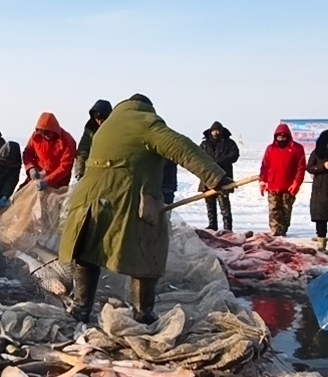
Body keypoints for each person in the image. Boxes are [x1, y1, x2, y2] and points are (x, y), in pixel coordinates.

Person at [60, 95, 231, 325]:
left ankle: (81, 309)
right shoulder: (146, 122)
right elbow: (182, 148)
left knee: (87, 252)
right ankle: (143, 314)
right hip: (125, 197)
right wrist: (215, 177)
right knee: (147, 249)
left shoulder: (107, 126)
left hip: (88, 200)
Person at [260, 124, 305, 238]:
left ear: (288, 136)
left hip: (288, 185)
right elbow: (265, 166)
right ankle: (275, 231)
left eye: (284, 136)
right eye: (279, 136)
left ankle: (283, 230)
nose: (281, 138)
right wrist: (263, 181)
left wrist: (297, 182)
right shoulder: (271, 149)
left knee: (285, 209)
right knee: (274, 209)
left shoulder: (297, 148)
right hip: (273, 184)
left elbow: (301, 167)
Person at [199, 122, 240, 231]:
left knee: (224, 204)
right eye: (214, 131)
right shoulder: (204, 144)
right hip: (207, 177)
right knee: (210, 203)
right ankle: (212, 225)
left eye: (218, 131)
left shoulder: (229, 143)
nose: (216, 133)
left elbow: (234, 155)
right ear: (210, 132)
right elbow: (198, 157)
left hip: (223, 177)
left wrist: (219, 162)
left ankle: (227, 227)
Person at [23, 113, 77, 191]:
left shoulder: (68, 141)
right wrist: (31, 168)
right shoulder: (36, 137)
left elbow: (65, 167)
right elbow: (28, 153)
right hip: (36, 179)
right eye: (43, 133)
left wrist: (47, 181)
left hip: (58, 184)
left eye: (48, 132)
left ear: (54, 130)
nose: (46, 136)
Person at [73, 99, 114, 182]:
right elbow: (82, 152)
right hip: (91, 168)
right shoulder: (90, 129)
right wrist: (79, 173)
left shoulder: (115, 130)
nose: (99, 122)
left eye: (102, 119)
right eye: (97, 119)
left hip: (109, 169)